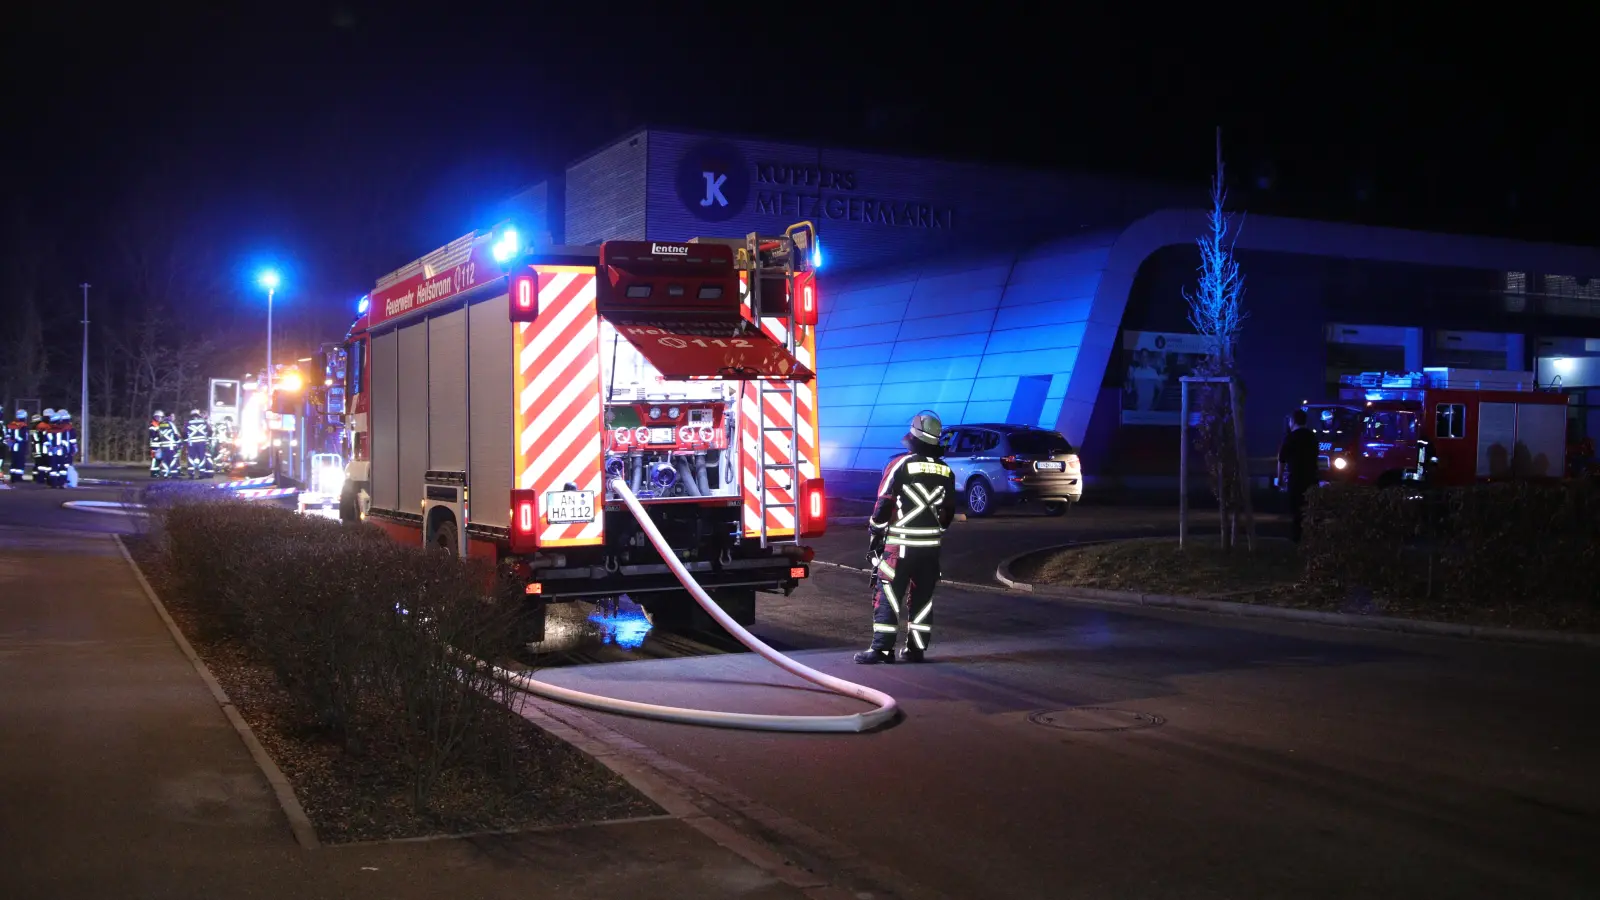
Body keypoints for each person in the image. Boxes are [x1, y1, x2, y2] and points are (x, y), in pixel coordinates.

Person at [856, 410, 957, 665]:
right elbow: (948, 512)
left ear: (912, 438)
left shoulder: (900, 465)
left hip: (899, 547)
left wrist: (875, 533)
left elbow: (884, 503)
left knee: (888, 593)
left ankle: (882, 650)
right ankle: (916, 649)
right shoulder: (946, 471)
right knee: (923, 597)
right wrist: (935, 533)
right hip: (930, 549)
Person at [1278, 408, 1320, 543]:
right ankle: (1311, 537)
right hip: (1311, 478)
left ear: (1293, 421)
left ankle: (1298, 539)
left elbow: (1281, 460)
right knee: (1310, 509)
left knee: (1296, 510)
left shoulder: (1290, 438)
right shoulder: (1312, 437)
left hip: (1295, 479)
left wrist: (1280, 479)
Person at [184, 409, 213, 478]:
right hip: (201, 443)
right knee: (201, 458)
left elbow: (184, 433)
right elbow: (210, 431)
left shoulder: (188, 422)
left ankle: (191, 474)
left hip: (192, 443)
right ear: (198, 415)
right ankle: (201, 474)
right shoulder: (204, 422)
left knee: (191, 458)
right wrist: (207, 437)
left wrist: (186, 440)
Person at [154, 412, 182, 479]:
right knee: (173, 459)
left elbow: (159, 436)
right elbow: (176, 434)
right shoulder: (171, 424)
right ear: (168, 417)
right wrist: (179, 443)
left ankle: (165, 474)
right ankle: (174, 475)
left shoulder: (160, 425)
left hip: (163, 446)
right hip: (171, 446)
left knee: (165, 460)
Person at [31, 410, 54, 484]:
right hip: (41, 448)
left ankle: (36, 477)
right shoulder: (43, 426)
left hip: (35, 448)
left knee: (38, 463)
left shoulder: (33, 427)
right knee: (43, 464)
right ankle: (43, 478)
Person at [4, 410, 27, 483]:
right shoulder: (23, 425)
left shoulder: (11, 424)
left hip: (13, 446)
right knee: (20, 461)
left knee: (13, 461)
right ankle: (18, 477)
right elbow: (23, 437)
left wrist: (10, 443)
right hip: (20, 446)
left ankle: (13, 476)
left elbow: (7, 436)